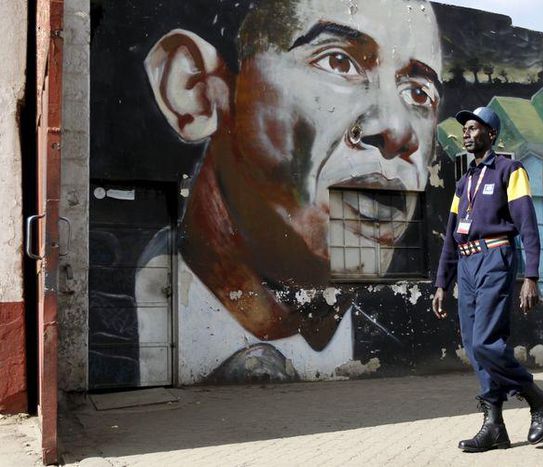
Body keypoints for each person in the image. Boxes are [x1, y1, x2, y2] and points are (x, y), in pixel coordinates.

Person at [143, 0, 442, 354]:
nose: (398, 129)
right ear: (195, 91)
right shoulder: (114, 341)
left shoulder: (404, 345)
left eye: (419, 93)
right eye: (339, 61)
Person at [432, 106, 543, 452]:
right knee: (475, 348)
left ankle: (539, 399)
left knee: (488, 342)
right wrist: (442, 283)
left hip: (496, 257)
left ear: (491, 134)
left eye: (473, 128)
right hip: (466, 264)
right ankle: (494, 427)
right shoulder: (464, 182)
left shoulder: (509, 170)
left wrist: (530, 276)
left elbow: (527, 226)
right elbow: (450, 237)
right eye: (465, 129)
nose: (466, 133)